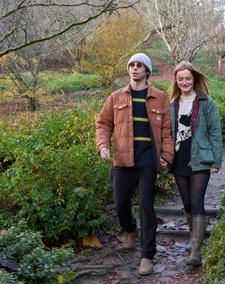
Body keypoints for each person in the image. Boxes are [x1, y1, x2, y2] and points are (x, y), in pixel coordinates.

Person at [95, 52, 174, 276]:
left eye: (140, 65)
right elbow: (103, 123)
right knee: (121, 204)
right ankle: (129, 228)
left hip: (148, 161)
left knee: (147, 207)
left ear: (147, 71)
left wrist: (166, 156)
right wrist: (103, 146)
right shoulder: (115, 97)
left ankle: (147, 255)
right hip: (122, 159)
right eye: (132, 65)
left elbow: (166, 131)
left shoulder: (159, 97)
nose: (135, 68)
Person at [169, 61, 223, 266]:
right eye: (180, 78)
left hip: (201, 157)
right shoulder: (172, 104)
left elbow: (215, 132)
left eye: (188, 78)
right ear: (176, 80)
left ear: (194, 79)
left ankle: (196, 252)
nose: (184, 82)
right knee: (187, 202)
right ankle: (194, 240)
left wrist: (216, 160)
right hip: (179, 158)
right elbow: (168, 132)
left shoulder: (206, 102)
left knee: (197, 199)